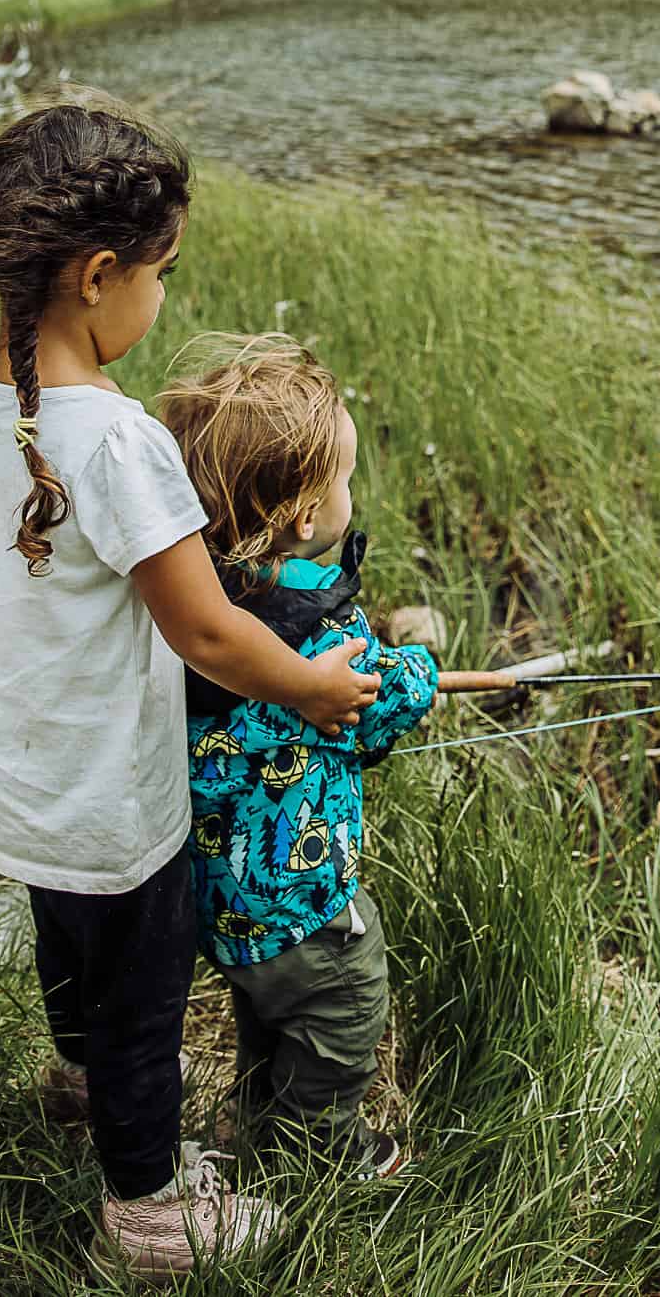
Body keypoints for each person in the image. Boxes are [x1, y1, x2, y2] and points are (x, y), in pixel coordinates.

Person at [0, 104, 379, 1284]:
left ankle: (79, 1091)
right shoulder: (117, 441)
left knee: (68, 955)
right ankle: (148, 1214)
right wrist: (315, 685)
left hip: (19, 775)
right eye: (162, 274)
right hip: (110, 805)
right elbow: (211, 632)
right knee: (142, 1006)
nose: (165, 299)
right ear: (98, 273)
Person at [158, 335, 439, 1180]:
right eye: (344, 478)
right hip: (305, 902)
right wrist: (416, 661)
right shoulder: (319, 634)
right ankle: (319, 1153)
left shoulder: (189, 605)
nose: (352, 490)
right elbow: (385, 710)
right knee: (345, 1011)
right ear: (307, 517)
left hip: (221, 900)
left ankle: (260, 1116)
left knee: (264, 1009)